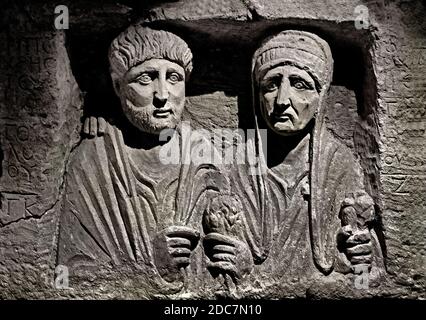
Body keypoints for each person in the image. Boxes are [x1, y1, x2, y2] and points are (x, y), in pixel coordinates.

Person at [212, 30, 385, 291]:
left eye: (299, 84)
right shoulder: (236, 168)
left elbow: (369, 280)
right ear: (257, 96)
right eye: (271, 85)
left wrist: (357, 257)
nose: (282, 100)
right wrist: (237, 266)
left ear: (320, 97)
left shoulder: (340, 166)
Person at [57, 26, 222, 294]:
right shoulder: (95, 161)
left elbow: (222, 265)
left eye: (173, 78)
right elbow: (73, 276)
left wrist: (240, 263)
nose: (162, 95)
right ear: (118, 86)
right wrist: (150, 263)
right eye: (145, 79)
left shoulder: (204, 160)